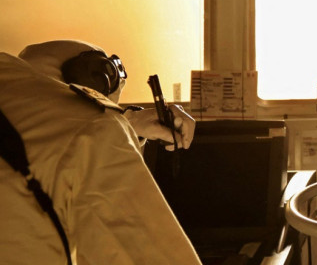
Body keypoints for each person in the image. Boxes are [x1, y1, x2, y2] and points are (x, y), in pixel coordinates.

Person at [0, 40, 201, 265]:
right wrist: (112, 128)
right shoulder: (92, 130)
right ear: (92, 77)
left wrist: (129, 123)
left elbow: (40, 138)